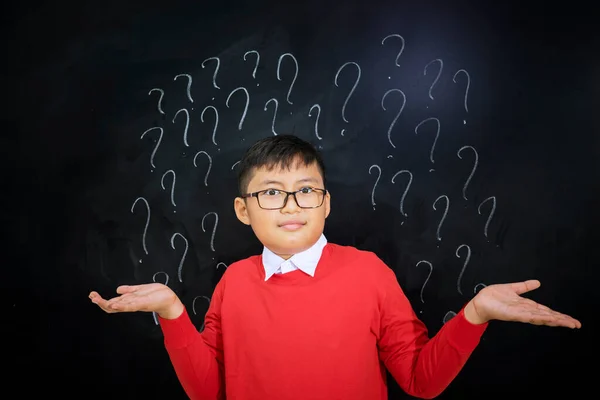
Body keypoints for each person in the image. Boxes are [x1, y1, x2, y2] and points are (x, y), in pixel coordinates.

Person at [89, 134, 581, 400]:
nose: (290, 204)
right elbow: (208, 390)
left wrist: (476, 314)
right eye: (270, 192)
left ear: (326, 204)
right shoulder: (234, 281)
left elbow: (420, 381)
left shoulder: (369, 272)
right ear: (244, 210)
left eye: (306, 190)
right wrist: (174, 313)